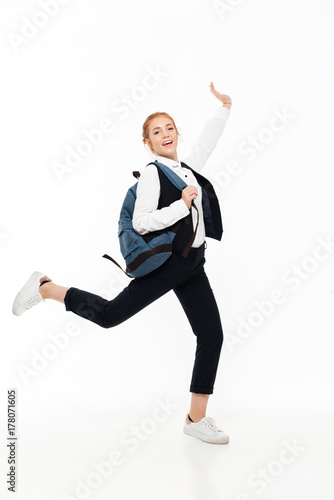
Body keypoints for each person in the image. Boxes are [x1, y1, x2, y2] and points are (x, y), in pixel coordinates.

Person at [12, 81, 232, 445]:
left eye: (170, 128)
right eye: (156, 131)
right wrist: (181, 204)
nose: (165, 134)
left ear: (178, 133)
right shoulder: (151, 172)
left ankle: (196, 419)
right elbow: (142, 221)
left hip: (193, 264)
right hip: (167, 265)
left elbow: (208, 141)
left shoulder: (186, 168)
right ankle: (46, 288)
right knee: (110, 316)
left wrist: (224, 107)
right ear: (147, 142)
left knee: (211, 334)